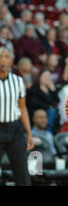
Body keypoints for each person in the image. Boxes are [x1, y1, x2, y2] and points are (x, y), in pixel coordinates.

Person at [0, 47, 34, 186]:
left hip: (15, 129)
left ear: (11, 60)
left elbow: (22, 107)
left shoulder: (18, 81)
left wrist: (29, 133)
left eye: (6, 56)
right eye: (0, 56)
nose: (2, 59)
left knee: (22, 174)